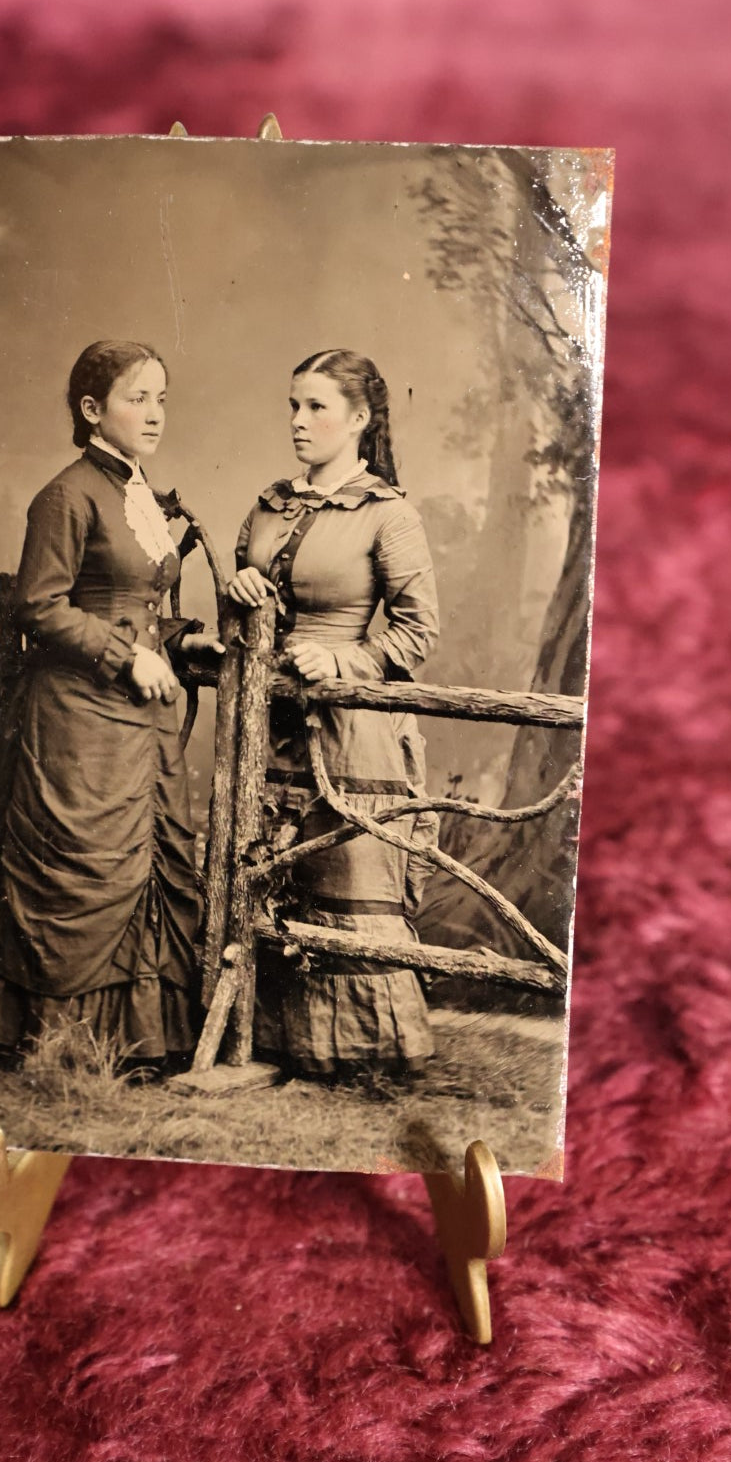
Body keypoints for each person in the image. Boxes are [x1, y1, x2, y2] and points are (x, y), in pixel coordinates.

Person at [0, 339, 221, 1070]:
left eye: (161, 398)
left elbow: (139, 605)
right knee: (85, 868)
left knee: (148, 864)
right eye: (136, 398)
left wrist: (183, 645)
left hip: (141, 721)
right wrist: (128, 657)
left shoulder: (137, 495)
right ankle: (67, 1041)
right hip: (81, 718)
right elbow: (40, 606)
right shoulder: (65, 495)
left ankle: (142, 1041)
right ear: (92, 409)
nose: (154, 414)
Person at [227, 348, 440, 1080]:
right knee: (264, 869)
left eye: (317, 407)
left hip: (349, 728)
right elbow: (239, 608)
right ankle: (265, 1037)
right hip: (268, 719)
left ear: (360, 418)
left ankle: (358, 1049)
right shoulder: (270, 503)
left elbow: (419, 631)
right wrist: (244, 586)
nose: (298, 421)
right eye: (294, 405)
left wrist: (344, 659)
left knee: (343, 868)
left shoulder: (389, 512)